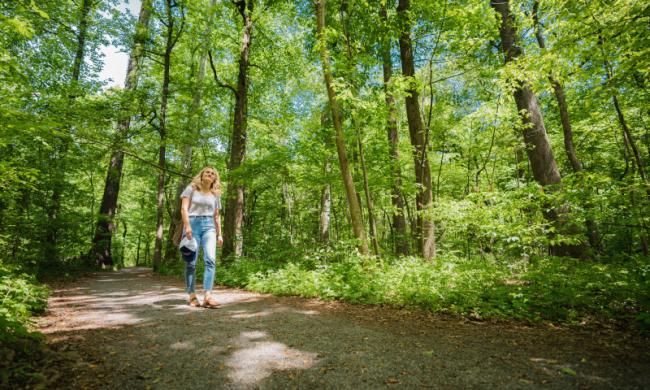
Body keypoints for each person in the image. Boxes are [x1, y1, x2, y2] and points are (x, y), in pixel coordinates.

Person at [180, 166, 223, 308]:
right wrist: (187, 226)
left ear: (214, 178)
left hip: (209, 226)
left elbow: (217, 216)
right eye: (207, 172)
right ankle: (191, 295)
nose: (210, 174)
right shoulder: (191, 189)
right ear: (202, 175)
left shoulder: (215, 194)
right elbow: (184, 208)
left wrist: (220, 234)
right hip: (192, 224)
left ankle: (208, 296)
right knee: (191, 262)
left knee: (210, 259)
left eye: (212, 173)